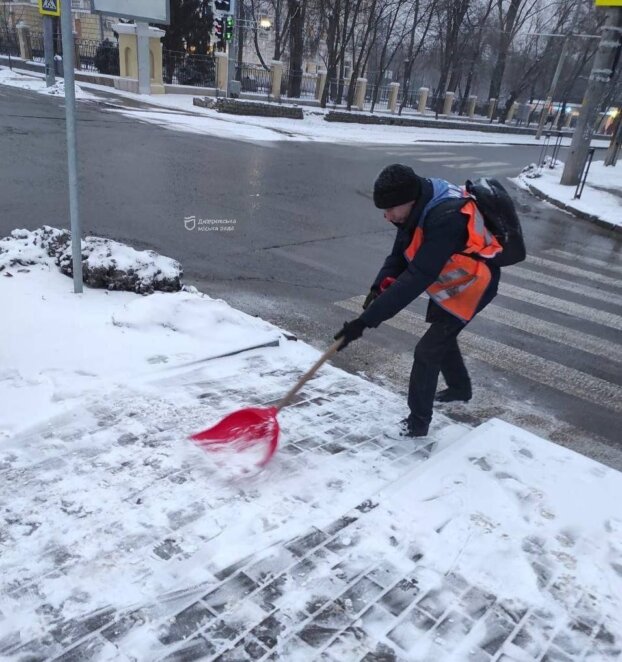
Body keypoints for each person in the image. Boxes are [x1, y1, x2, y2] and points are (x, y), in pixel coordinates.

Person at [334, 164, 502, 438]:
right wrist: (376, 292)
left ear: (408, 202)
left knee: (427, 351)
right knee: (440, 332)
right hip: (454, 278)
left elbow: (417, 277)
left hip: (475, 283)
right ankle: (460, 388)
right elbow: (399, 257)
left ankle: (417, 423)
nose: (387, 217)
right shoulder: (415, 208)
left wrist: (365, 322)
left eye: (390, 209)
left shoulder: (446, 217)